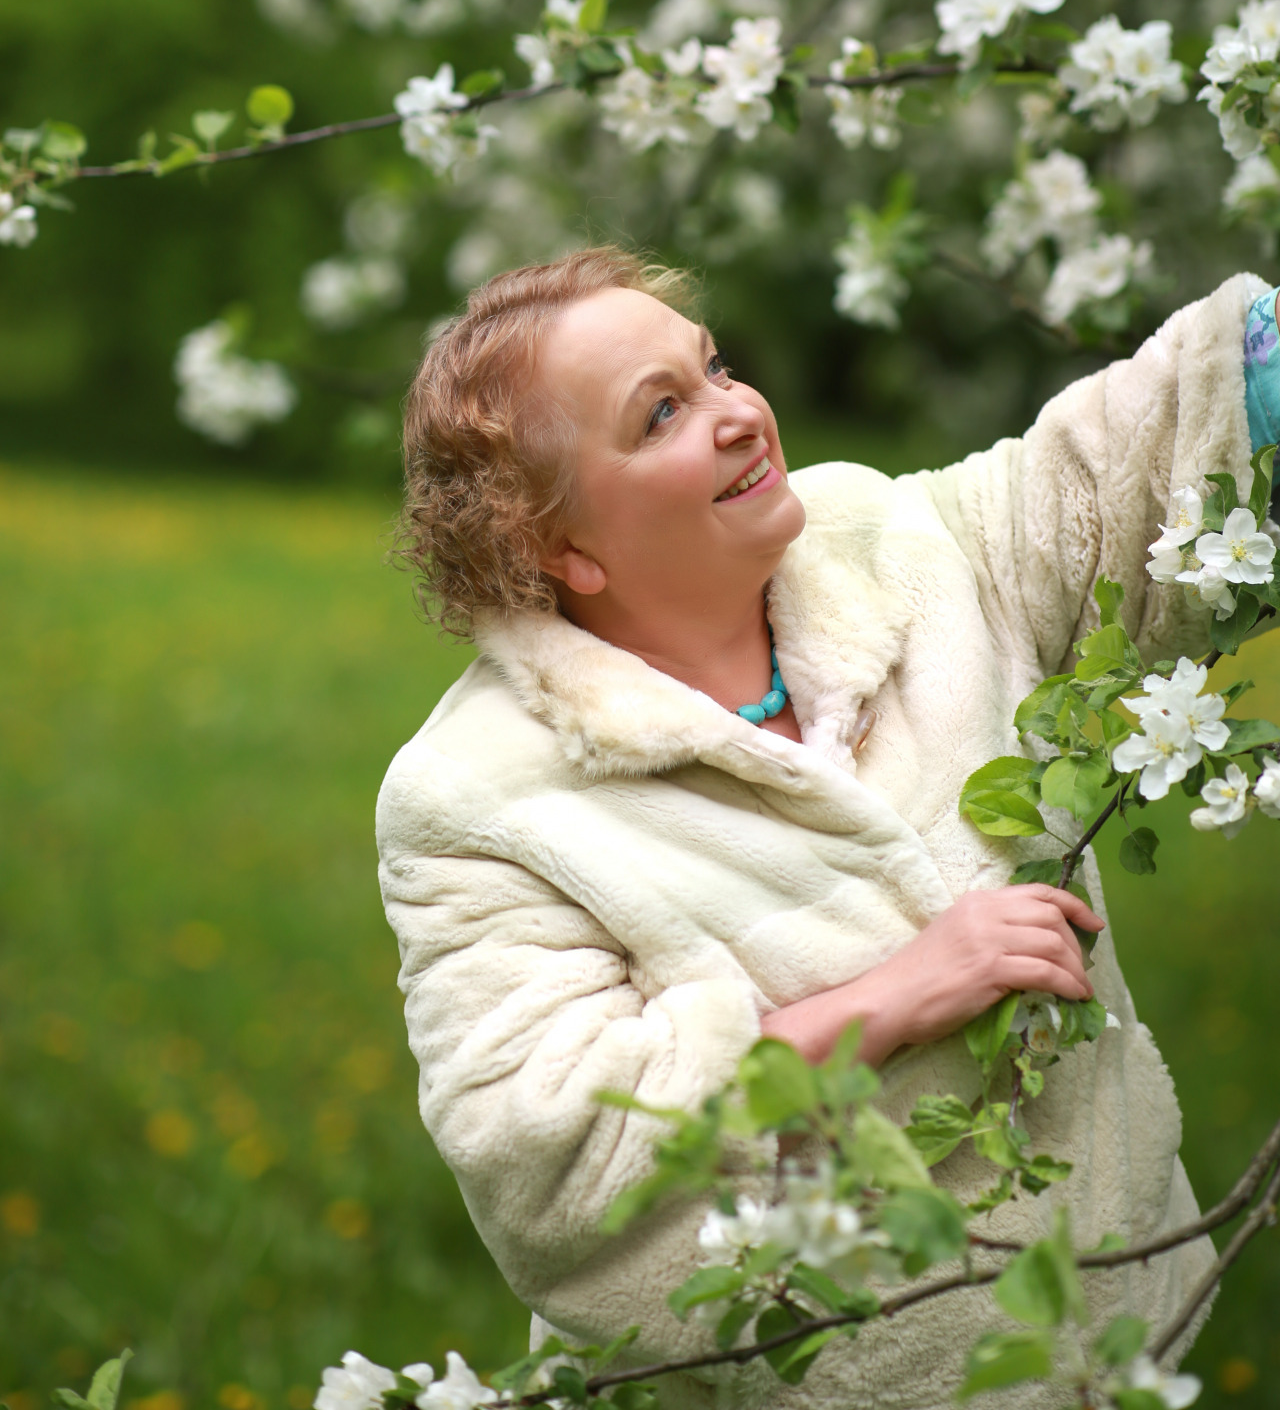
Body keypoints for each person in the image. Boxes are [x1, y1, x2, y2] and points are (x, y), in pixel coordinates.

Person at [377, 246, 1271, 1409]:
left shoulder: (879, 549)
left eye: (713, 370)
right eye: (659, 415)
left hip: (1127, 1338)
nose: (738, 414)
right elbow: (552, 1165)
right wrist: (886, 1000)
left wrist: (1250, 363)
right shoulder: (479, 795)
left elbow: (1105, 489)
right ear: (559, 548)